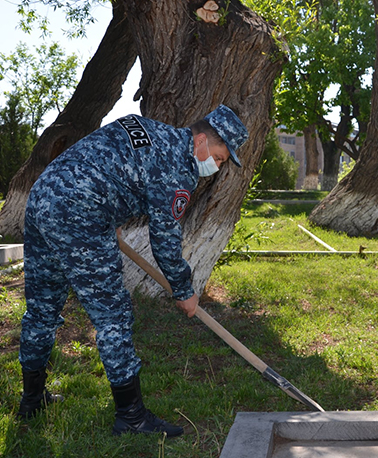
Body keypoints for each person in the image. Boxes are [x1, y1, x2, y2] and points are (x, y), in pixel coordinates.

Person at [17, 105, 249, 436]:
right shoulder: (179, 169)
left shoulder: (146, 127)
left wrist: (108, 213)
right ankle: (131, 416)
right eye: (220, 157)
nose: (217, 166)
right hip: (81, 211)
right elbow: (165, 241)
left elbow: (105, 161)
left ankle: (31, 400)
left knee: (42, 309)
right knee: (113, 316)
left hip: (44, 195)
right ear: (201, 140)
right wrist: (184, 291)